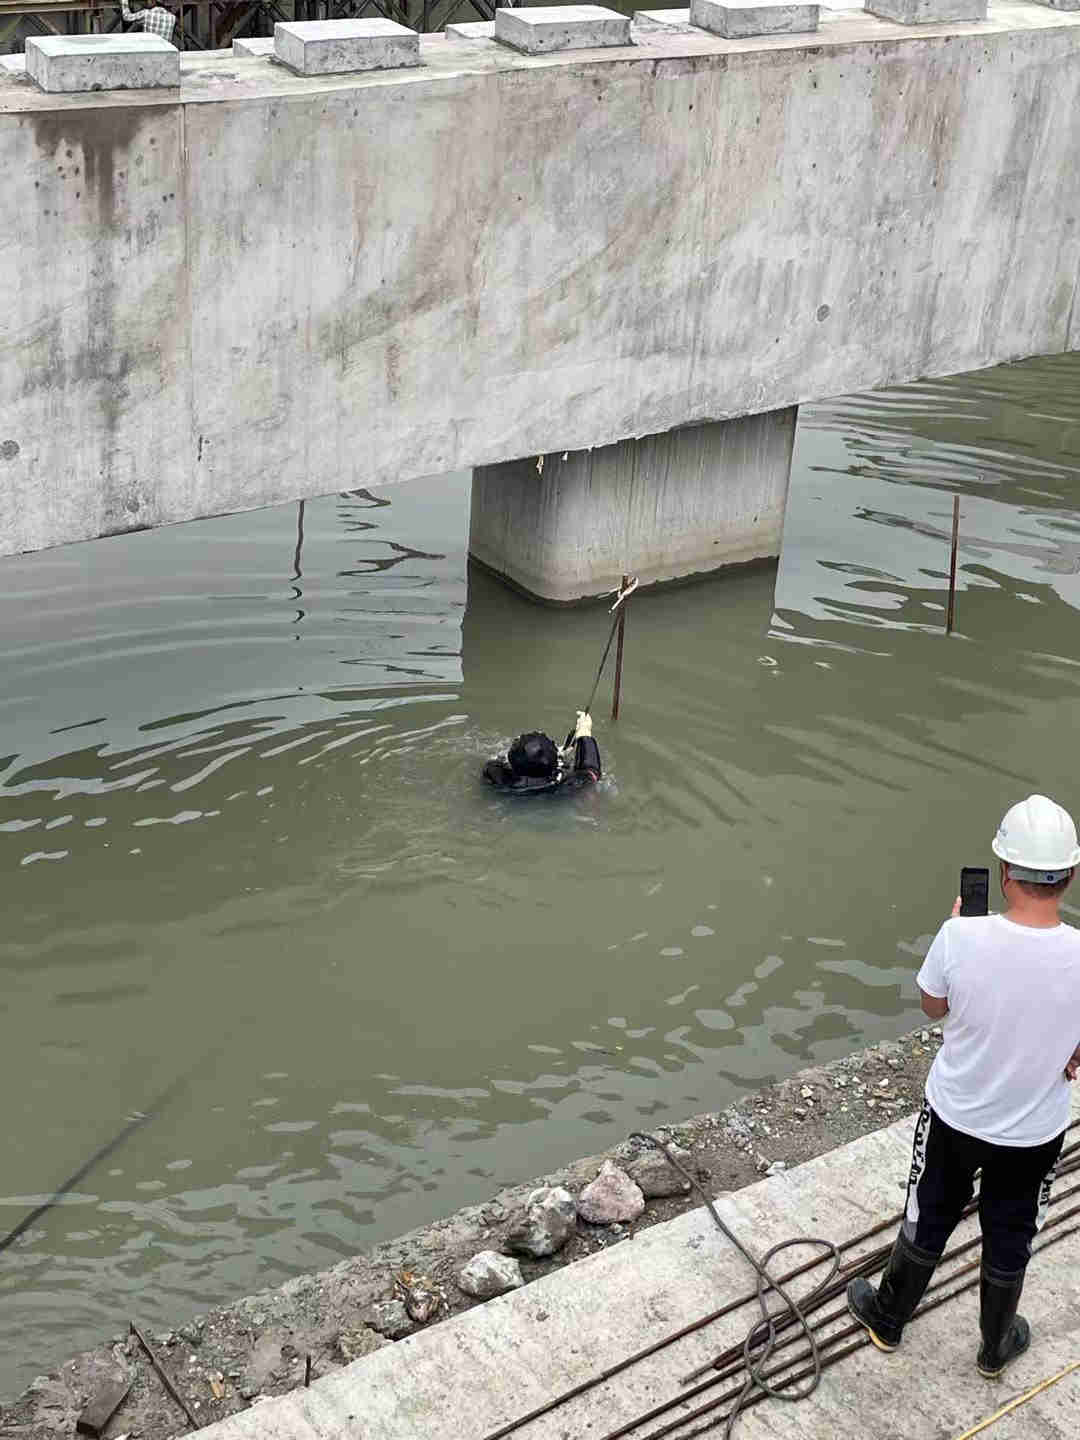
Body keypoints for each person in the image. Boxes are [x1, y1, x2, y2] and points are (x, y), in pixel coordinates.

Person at [847, 794, 1080, 1378]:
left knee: (929, 1213)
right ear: (1070, 876)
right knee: (1012, 1231)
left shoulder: (961, 936)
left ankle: (888, 1318)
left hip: (955, 1117)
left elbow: (932, 1006)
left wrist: (955, 931)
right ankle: (993, 1347)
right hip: (1034, 1130)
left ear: (1003, 873)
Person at [482, 710, 600, 794]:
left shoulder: (496, 775)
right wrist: (584, 733)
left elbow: (495, 762)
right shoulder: (562, 785)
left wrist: (556, 756)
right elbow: (591, 773)